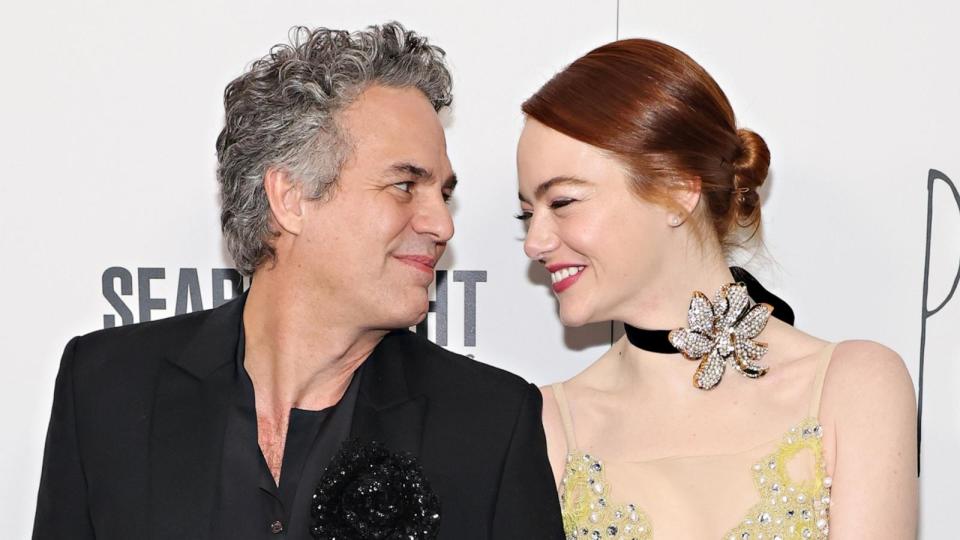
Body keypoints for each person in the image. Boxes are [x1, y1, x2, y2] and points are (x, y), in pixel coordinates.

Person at [33, 23, 563, 540]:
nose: (442, 224)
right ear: (290, 198)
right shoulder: (106, 386)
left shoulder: (489, 425)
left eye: (442, 194)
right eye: (405, 185)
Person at [515, 38, 917, 539]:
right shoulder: (547, 424)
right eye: (527, 214)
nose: (535, 242)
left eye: (564, 201)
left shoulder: (852, 387)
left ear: (678, 189)